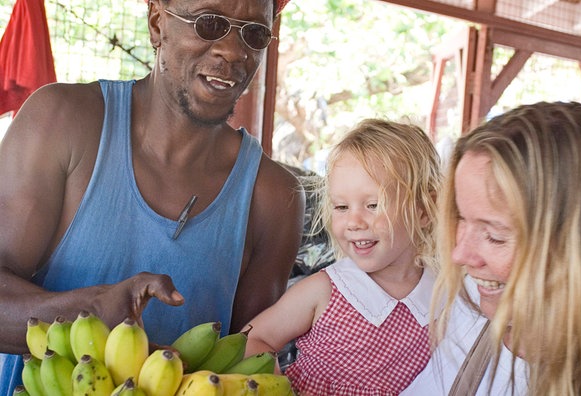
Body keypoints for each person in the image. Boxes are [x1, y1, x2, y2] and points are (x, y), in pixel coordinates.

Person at [0, 0, 304, 393]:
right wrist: (90, 312)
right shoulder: (60, 122)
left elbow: (248, 363)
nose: (233, 50)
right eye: (210, 23)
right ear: (157, 22)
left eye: (255, 33)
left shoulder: (275, 197)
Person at [402, 101, 581, 395]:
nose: (460, 255)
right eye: (461, 217)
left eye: (495, 235)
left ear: (580, 247)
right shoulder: (476, 301)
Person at [244, 118, 442, 395]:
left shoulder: (444, 301)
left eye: (373, 205)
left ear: (424, 209)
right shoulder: (328, 289)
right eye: (341, 207)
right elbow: (255, 338)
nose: (354, 221)